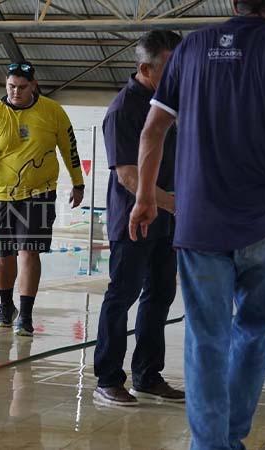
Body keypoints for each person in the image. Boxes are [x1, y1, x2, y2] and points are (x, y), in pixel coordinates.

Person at [129, 1, 265, 448]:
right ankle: (229, 437)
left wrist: (146, 197)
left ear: (232, 4)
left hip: (200, 222)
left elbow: (152, 132)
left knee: (206, 337)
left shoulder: (191, 49)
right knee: (254, 331)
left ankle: (211, 444)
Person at [93, 30, 185, 407]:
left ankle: (148, 374)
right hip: (134, 217)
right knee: (123, 294)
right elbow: (128, 175)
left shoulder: (174, 101)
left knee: (161, 293)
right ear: (146, 68)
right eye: (172, 67)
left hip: (167, 218)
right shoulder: (124, 110)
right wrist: (176, 204)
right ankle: (108, 377)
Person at [0, 61, 84, 337]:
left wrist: (78, 183)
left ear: (34, 85)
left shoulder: (53, 112)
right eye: (11, 86)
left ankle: (26, 314)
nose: (16, 92)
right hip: (0, 194)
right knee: (3, 254)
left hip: (39, 193)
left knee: (28, 251)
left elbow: (70, 149)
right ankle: (6, 306)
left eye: (22, 87)